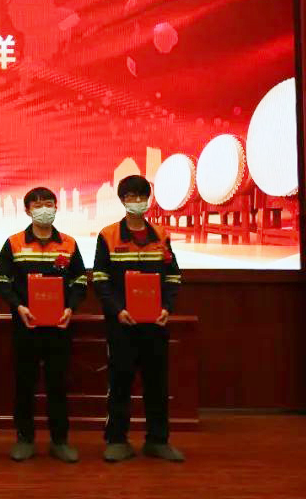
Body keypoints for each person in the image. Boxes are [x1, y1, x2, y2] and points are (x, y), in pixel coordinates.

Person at [93, 175, 185, 463]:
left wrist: (167, 307)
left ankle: (157, 440)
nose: (137, 201)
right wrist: (117, 309)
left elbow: (173, 276)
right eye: (131, 197)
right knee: (120, 381)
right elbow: (100, 278)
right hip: (122, 324)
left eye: (142, 196)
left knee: (157, 383)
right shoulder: (108, 235)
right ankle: (117, 440)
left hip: (155, 323)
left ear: (148, 200)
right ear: (122, 200)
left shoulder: (161, 235)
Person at [0, 187, 87, 463]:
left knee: (59, 384)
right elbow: (0, 280)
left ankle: (60, 440)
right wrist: (18, 306)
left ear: (56, 207)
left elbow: (80, 280)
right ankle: (25, 439)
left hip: (60, 326)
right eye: (37, 205)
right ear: (27, 210)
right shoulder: (14, 243)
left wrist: (70, 307)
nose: (44, 209)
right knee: (25, 383)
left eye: (48, 204)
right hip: (26, 326)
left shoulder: (68, 243)